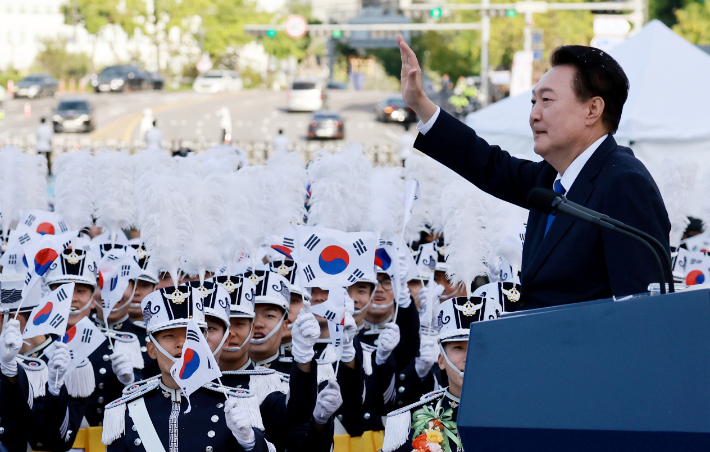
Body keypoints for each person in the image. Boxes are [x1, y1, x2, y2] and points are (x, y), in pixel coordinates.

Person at [397, 35, 670, 309]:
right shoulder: (552, 180)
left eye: (547, 101)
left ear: (593, 109)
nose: (534, 115)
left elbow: (642, 310)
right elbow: (490, 165)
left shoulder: (624, 183)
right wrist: (421, 104)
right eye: (532, 102)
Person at [102, 284, 270, 452]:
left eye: (190, 335)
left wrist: (249, 442)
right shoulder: (128, 408)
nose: (181, 344)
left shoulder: (235, 403)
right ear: (152, 349)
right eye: (169, 335)